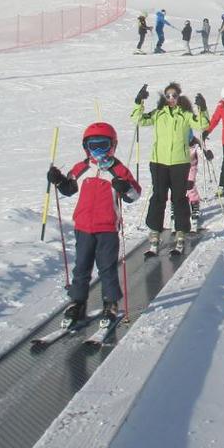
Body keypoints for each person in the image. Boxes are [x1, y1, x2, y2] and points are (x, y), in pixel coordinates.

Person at [46, 122, 141, 331]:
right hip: (83, 227)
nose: (98, 151)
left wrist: (125, 187)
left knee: (107, 268)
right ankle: (77, 303)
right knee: (81, 267)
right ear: (86, 147)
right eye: (92, 145)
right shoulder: (82, 168)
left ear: (112, 146)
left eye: (103, 145)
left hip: (107, 227)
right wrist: (58, 180)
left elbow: (134, 194)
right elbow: (69, 188)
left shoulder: (118, 169)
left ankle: (110, 303)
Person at [131, 83, 210, 255]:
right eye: (168, 96)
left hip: (180, 162)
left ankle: (181, 233)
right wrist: (139, 102)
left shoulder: (185, 115)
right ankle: (155, 233)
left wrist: (203, 108)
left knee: (179, 198)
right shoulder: (158, 114)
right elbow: (138, 119)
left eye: (174, 95)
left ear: (179, 96)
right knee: (158, 197)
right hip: (159, 162)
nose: (171, 99)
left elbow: (202, 125)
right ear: (164, 98)